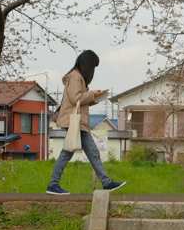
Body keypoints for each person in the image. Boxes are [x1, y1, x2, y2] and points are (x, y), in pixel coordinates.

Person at [47, 50, 126, 194]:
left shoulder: (77, 77)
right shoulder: (76, 77)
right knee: (83, 153)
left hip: (77, 122)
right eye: (93, 67)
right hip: (75, 122)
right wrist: (92, 94)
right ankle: (106, 183)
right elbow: (75, 98)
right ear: (88, 65)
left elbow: (80, 102)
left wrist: (96, 97)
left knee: (76, 153)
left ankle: (54, 185)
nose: (93, 71)